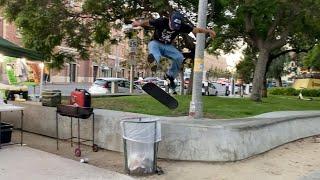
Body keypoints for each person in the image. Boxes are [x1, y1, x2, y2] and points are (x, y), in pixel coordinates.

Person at [132, 11, 216, 93]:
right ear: (169, 19)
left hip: (167, 47)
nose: (173, 28)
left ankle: (170, 76)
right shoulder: (161, 21)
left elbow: (196, 30)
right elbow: (147, 22)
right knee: (155, 52)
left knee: (179, 57)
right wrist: (138, 23)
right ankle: (154, 61)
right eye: (172, 25)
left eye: (175, 27)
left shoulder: (181, 26)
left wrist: (208, 31)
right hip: (155, 43)